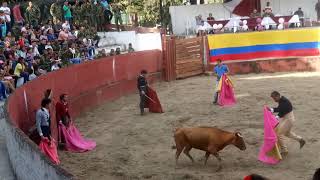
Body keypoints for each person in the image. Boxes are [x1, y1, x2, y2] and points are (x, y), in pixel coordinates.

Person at [268, 91, 306, 156]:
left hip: (288, 119)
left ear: (278, 96)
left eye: (274, 98)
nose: (274, 100)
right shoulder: (282, 100)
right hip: (287, 119)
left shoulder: (284, 102)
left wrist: (275, 116)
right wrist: (271, 109)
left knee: (278, 134)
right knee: (287, 133)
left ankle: (284, 150)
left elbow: (281, 112)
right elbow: (280, 109)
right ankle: (300, 140)